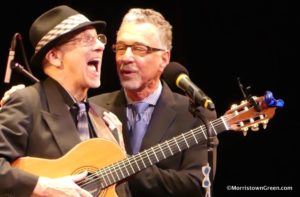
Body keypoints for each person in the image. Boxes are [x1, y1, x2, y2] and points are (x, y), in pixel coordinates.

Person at [89, 8, 218, 197]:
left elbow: (197, 184)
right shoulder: (93, 107)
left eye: (139, 49)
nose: (126, 58)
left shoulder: (194, 114)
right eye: (121, 48)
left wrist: (125, 167)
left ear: (164, 59)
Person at [0, 5, 125, 197]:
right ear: (55, 57)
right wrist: (43, 187)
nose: (101, 46)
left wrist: (120, 152)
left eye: (99, 39)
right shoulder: (27, 102)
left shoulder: (103, 119)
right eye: (87, 39)